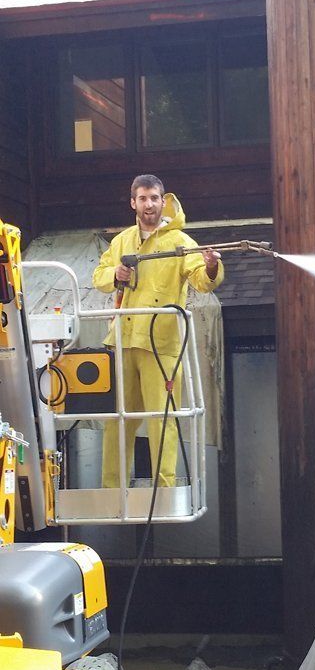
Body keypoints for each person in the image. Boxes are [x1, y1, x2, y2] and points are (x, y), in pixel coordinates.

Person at [93, 174, 224, 488]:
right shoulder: (121, 241)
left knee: (162, 420)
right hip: (122, 341)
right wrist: (116, 273)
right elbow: (99, 276)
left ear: (163, 201)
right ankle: (112, 491)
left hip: (161, 344)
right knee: (117, 421)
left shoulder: (181, 242)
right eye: (143, 198)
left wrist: (210, 266)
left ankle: (164, 490)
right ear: (133, 203)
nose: (149, 204)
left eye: (154, 198)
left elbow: (202, 281)